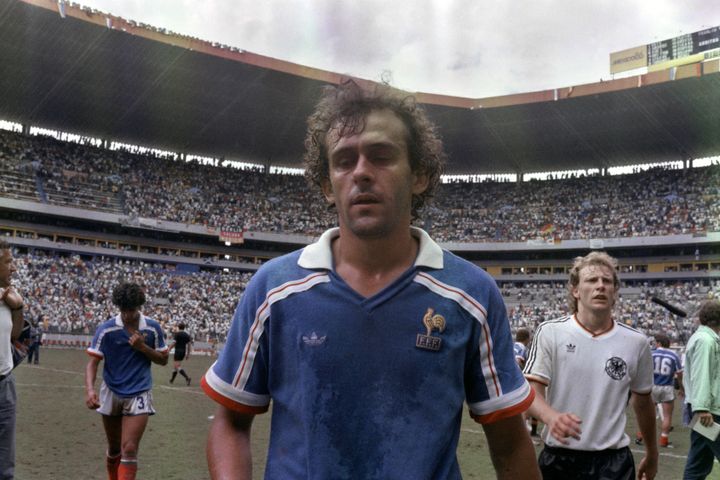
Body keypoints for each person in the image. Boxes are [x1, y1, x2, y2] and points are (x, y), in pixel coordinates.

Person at [201, 81, 540, 479]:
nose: (361, 172)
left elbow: (510, 444)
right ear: (328, 185)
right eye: (344, 161)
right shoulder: (274, 289)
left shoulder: (471, 294)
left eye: (381, 156)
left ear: (420, 176)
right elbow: (230, 422)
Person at [524, 251, 658, 479]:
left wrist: (652, 452)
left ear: (615, 292)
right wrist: (551, 417)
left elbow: (643, 403)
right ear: (576, 290)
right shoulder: (551, 332)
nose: (600, 286)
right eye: (592, 280)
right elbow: (531, 390)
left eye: (607, 281)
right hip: (559, 459)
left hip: (614, 463)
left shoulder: (637, 342)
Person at [85, 282, 168, 480]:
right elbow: (92, 363)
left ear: (139, 306)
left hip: (139, 391)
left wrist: (142, 348)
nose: (127, 315)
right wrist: (90, 390)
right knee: (114, 449)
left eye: (131, 310)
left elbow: (163, 360)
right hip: (111, 391)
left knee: (129, 448)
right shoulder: (107, 329)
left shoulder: (152, 328)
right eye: (123, 310)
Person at [682, 299, 720, 479]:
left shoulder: (703, 338)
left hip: (703, 410)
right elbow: (702, 374)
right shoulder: (706, 341)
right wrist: (702, 408)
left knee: (699, 462)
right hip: (708, 411)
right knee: (699, 463)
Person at [0, 240, 25, 480]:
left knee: (5, 466)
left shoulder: (9, 296)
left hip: (4, 385)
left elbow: (15, 334)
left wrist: (18, 307)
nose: (13, 268)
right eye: (8, 262)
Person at [636, 332, 682, 448]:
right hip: (667, 387)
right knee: (667, 416)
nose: (654, 344)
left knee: (647, 414)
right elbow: (679, 374)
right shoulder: (674, 355)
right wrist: (682, 388)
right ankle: (664, 440)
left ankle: (640, 436)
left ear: (659, 343)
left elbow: (642, 370)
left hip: (652, 387)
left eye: (655, 342)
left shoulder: (651, 353)